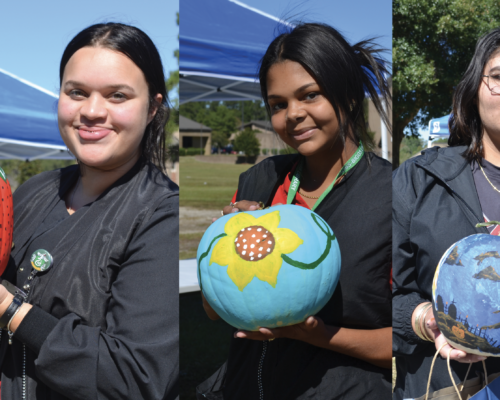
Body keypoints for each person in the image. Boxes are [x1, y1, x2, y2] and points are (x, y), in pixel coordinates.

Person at [200, 23, 393, 399]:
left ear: (349, 96)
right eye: (278, 105)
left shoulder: (391, 194)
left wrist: (318, 335)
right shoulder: (259, 180)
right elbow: (213, 309)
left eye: (310, 95)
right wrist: (219, 242)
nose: (293, 114)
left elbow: (409, 343)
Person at [0, 23, 178, 400]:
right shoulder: (33, 190)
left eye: (117, 96)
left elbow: (137, 377)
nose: (92, 111)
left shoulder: (163, 216)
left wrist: (10, 310)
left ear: (152, 109)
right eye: (77, 92)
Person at [393, 28, 500, 400]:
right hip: (447, 385)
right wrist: (426, 320)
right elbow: (379, 291)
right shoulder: (420, 178)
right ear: (475, 88)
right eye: (499, 77)